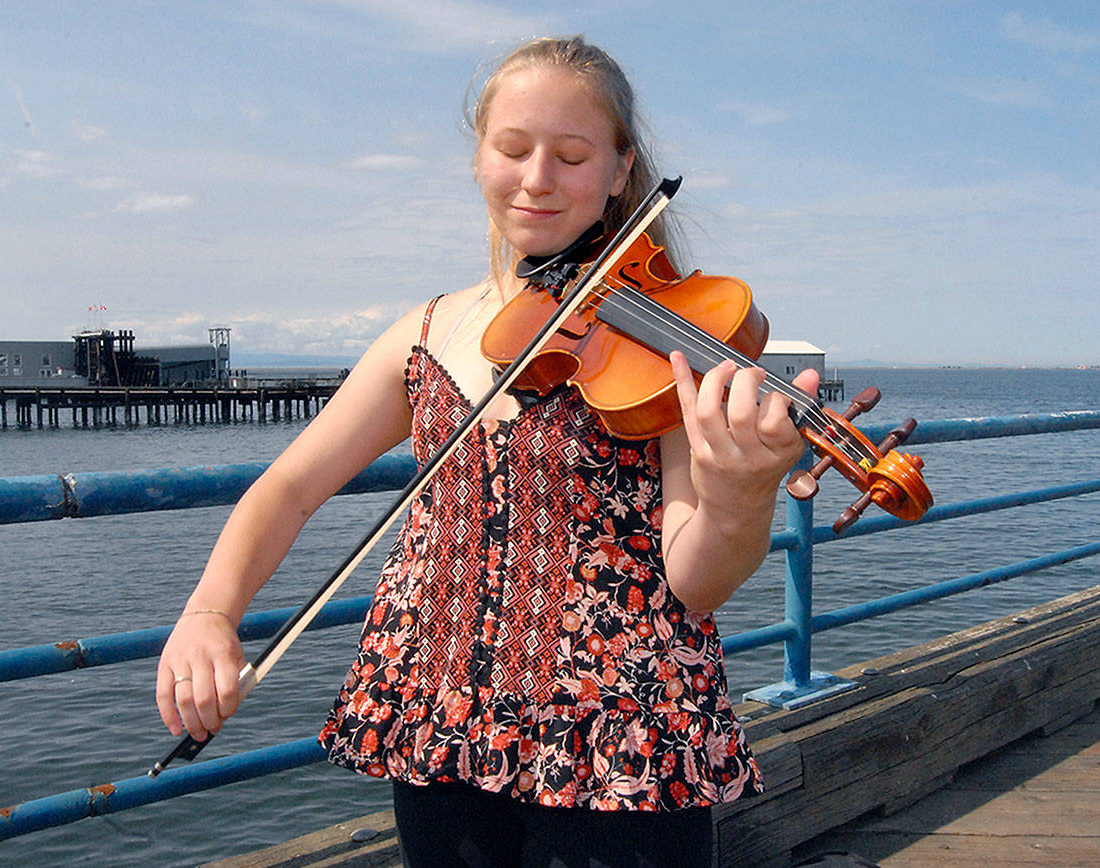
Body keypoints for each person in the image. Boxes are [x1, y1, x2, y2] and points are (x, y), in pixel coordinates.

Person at [156, 35, 818, 868]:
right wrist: (210, 613)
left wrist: (741, 495)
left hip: (616, 729)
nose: (537, 178)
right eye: (513, 149)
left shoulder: (669, 343)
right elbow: (290, 485)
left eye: (572, 156)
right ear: (478, 159)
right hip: (439, 711)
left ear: (620, 172)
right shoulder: (426, 333)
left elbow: (697, 578)